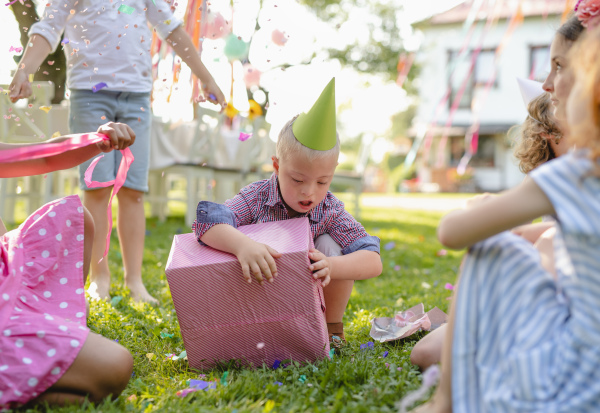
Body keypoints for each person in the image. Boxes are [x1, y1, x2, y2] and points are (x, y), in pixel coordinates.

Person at [412, 22, 600, 413]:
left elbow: (452, 232)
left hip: (571, 387)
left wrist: (482, 212)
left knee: (489, 241)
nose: (547, 82)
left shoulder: (575, 173)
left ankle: (444, 402)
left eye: (559, 66)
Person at [8, 0, 226, 304]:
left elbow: (172, 30)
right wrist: (25, 70)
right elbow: (49, 27)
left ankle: (134, 280)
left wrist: (205, 77)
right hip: (89, 96)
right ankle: (100, 277)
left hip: (136, 97)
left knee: (134, 191)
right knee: (97, 188)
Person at [192, 79, 382, 346]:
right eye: (297, 179)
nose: (309, 193)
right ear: (276, 166)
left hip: (309, 300)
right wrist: (242, 245)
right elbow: (207, 222)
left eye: (322, 181)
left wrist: (331, 265)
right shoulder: (258, 197)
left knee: (329, 244)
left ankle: (330, 330)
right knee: (229, 239)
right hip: (259, 295)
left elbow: (373, 260)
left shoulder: (329, 208)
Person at [0, 122, 134, 408]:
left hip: (10, 270)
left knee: (75, 218)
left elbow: (43, 155)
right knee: (115, 366)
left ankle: (54, 330)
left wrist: (98, 140)